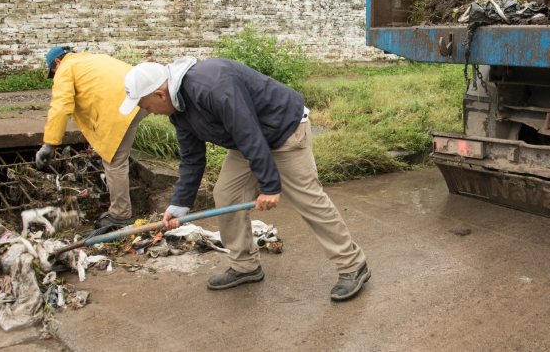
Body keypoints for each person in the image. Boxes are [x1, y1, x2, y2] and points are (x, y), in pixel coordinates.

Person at [119, 57, 370, 301]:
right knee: (227, 195)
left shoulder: (213, 85)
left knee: (307, 198)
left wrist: (270, 186)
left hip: (283, 129)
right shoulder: (178, 109)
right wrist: (179, 204)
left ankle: (352, 265)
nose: (149, 112)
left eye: (145, 106)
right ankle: (245, 265)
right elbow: (192, 158)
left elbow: (247, 129)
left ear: (159, 94)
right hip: (247, 140)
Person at [36, 46, 147, 228]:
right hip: (141, 98)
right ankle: (121, 210)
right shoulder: (90, 59)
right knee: (120, 156)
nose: (55, 75)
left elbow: (61, 105)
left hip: (120, 107)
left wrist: (49, 144)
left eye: (53, 71)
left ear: (57, 62)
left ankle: (120, 216)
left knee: (114, 160)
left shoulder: (65, 68)